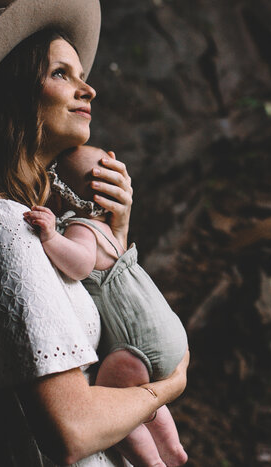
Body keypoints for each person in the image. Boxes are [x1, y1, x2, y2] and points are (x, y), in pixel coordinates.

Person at [0, 0, 188, 466]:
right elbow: (73, 430)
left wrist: (113, 236)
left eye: (81, 73)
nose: (89, 88)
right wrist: (168, 386)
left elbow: (91, 353)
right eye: (62, 73)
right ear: (13, 96)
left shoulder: (35, 223)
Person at [24, 145, 188, 467]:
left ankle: (151, 462)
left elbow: (81, 264)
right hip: (169, 336)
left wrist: (50, 238)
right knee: (147, 400)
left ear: (63, 194)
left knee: (115, 401)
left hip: (135, 345)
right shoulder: (111, 233)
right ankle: (174, 451)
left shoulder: (80, 228)